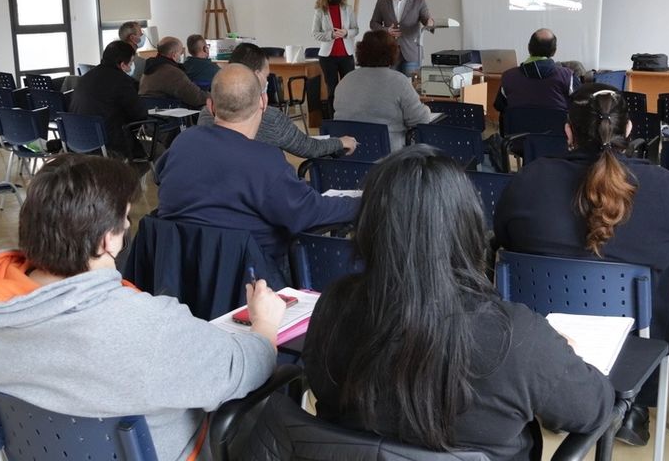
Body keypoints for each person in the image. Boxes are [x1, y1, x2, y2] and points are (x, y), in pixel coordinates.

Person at [243, 146, 614, 460]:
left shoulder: (333, 307)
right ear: (466, 225)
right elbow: (594, 408)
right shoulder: (517, 337)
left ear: (370, 226)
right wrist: (554, 358)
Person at [0, 153, 284, 461]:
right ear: (108, 240)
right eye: (125, 220)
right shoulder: (145, 326)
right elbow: (242, 370)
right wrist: (264, 327)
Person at [494, 83, 669, 446]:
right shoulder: (668, 187)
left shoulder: (528, 180)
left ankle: (559, 404)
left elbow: (504, 240)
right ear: (628, 131)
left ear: (568, 132)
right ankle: (633, 409)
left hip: (544, 335)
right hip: (638, 339)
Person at [156, 64, 359, 288]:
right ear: (263, 103)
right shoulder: (265, 161)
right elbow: (309, 211)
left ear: (210, 106)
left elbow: (159, 177)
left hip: (181, 276)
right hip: (253, 279)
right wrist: (364, 202)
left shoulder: (183, 142)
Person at [197, 42, 355, 157]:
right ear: (257, 76)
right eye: (266, 76)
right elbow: (308, 148)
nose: (267, 81)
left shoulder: (205, 116)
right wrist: (341, 142)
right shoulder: (269, 118)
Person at [333, 30, 432, 152]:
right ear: (392, 52)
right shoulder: (399, 81)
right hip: (388, 159)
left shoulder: (345, 81)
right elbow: (420, 120)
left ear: (360, 51)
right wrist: (427, 110)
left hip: (349, 156)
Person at [69, 40, 148, 157]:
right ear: (122, 65)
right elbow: (139, 115)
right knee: (156, 151)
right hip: (108, 144)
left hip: (77, 141)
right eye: (131, 63)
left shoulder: (85, 77)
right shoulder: (122, 81)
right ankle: (127, 175)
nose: (132, 66)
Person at [493, 28, 578, 119]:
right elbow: (581, 104)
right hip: (557, 131)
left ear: (529, 48)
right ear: (554, 51)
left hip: (518, 132)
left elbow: (499, 106)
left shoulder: (508, 77)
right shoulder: (568, 77)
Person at [369, 0, 434, 75]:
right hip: (389, 52)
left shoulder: (418, 0)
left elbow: (426, 18)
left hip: (411, 52)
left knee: (411, 87)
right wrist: (386, 30)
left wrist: (429, 23)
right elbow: (374, 23)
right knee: (390, 85)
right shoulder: (382, 1)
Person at [312, 0, 358, 111]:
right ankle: (334, 118)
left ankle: (349, 116)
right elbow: (315, 33)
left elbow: (356, 29)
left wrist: (346, 32)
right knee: (332, 89)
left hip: (346, 55)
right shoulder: (320, 11)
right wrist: (330, 35)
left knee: (349, 89)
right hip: (328, 57)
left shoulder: (347, 9)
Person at [139, 36, 208, 108]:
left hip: (150, 112)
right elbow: (196, 98)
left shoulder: (150, 67)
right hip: (167, 114)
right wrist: (213, 96)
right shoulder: (172, 72)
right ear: (174, 54)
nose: (181, 55)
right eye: (181, 52)